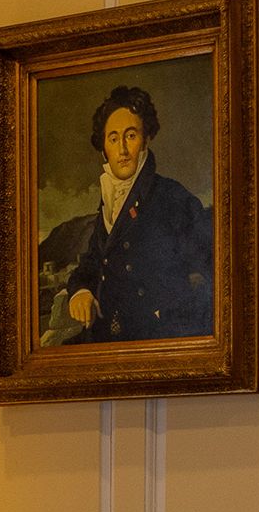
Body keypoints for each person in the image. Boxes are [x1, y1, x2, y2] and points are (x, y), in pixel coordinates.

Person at [45, 87, 212, 342]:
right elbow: (90, 265)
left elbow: (214, 270)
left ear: (145, 140)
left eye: (130, 136)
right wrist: (80, 292)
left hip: (155, 341)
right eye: (113, 138)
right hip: (105, 337)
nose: (122, 149)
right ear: (104, 148)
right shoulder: (108, 205)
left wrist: (167, 318)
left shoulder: (173, 198)